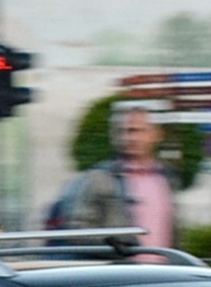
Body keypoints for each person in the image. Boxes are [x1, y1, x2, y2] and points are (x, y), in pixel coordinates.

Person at [62, 104, 179, 247]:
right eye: (123, 131)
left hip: (162, 268)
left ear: (157, 134)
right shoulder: (101, 178)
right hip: (120, 267)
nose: (129, 138)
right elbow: (77, 228)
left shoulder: (166, 178)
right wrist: (112, 243)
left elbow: (174, 232)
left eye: (137, 131)